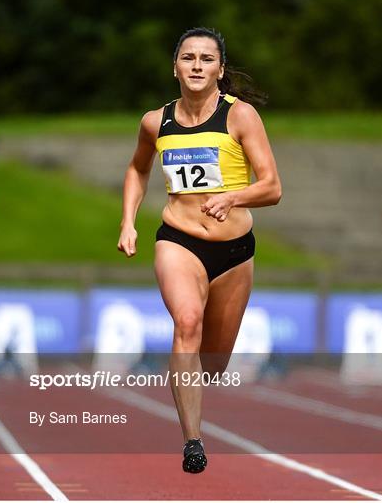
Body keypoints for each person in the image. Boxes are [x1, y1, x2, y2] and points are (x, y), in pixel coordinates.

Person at [118, 27, 281, 473]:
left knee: (212, 366)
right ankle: (193, 442)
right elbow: (137, 169)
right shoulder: (157, 121)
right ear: (175, 67)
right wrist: (128, 221)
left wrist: (232, 197)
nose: (196, 65)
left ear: (219, 70)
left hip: (234, 252)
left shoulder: (240, 116)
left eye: (206, 59)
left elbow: (272, 187)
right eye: (187, 58)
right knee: (186, 321)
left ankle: (188, 384)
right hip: (179, 240)